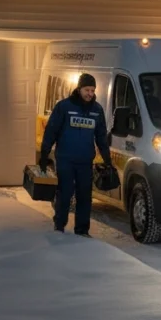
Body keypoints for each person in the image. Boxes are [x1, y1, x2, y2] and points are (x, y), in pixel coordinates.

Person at [39, 73, 112, 236]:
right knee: (65, 193)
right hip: (65, 159)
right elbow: (51, 131)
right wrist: (44, 154)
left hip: (85, 161)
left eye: (93, 90)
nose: (90, 94)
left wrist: (107, 160)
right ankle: (59, 226)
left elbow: (101, 137)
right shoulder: (64, 107)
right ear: (79, 89)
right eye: (87, 90)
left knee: (85, 196)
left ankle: (82, 229)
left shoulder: (97, 110)